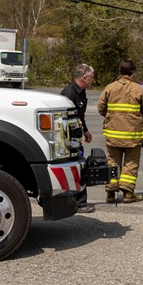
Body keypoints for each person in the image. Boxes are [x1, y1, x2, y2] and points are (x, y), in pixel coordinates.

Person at [96, 59, 143, 203]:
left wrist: (113, 118)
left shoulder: (110, 88)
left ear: (120, 71)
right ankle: (128, 193)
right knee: (131, 163)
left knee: (112, 162)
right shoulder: (138, 89)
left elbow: (101, 108)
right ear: (132, 72)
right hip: (133, 134)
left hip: (113, 133)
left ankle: (110, 192)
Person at [60, 63, 95, 213]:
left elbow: (80, 115)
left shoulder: (82, 92)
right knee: (77, 167)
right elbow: (62, 119)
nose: (93, 80)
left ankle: (78, 202)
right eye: (92, 77)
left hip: (76, 137)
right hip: (67, 139)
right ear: (84, 77)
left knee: (80, 166)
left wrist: (85, 131)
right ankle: (77, 203)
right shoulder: (69, 93)